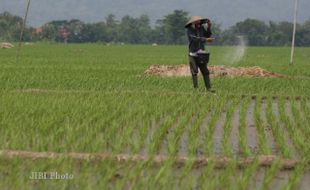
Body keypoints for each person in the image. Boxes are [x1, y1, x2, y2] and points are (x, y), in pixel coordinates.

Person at [185, 16, 215, 93]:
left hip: (201, 53)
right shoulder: (189, 30)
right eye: (197, 22)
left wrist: (209, 27)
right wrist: (206, 39)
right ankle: (195, 89)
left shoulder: (201, 28)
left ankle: (209, 88)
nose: (199, 23)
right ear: (193, 23)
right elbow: (194, 38)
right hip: (193, 54)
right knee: (194, 71)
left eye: (199, 22)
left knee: (205, 71)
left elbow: (207, 35)